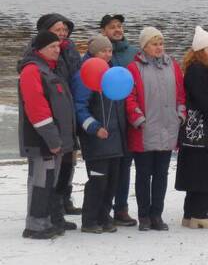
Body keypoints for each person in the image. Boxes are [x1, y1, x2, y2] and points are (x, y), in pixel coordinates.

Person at [125, 27, 186, 231]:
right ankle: (143, 216)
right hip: (145, 130)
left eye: (161, 43)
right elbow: (129, 97)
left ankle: (156, 215)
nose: (159, 47)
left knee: (161, 174)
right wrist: (139, 119)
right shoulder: (134, 68)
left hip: (168, 127)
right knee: (143, 174)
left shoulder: (173, 66)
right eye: (154, 43)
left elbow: (180, 93)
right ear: (144, 46)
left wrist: (180, 113)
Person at [18, 30, 77, 239]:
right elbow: (37, 108)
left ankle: (47, 220)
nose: (57, 49)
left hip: (55, 140)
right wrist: (52, 138)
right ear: (40, 49)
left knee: (50, 181)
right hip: (41, 140)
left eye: (58, 46)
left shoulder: (50, 70)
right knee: (41, 181)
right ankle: (35, 225)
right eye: (52, 46)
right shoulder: (32, 70)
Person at [71, 35, 127, 234]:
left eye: (110, 51)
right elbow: (80, 108)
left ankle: (104, 216)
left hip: (115, 138)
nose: (108, 54)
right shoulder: (85, 74)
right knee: (98, 180)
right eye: (104, 51)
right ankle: (89, 219)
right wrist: (94, 128)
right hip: (96, 139)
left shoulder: (111, 73)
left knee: (112, 181)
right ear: (94, 52)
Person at [175, 27, 208, 229]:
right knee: (206, 171)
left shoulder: (199, 68)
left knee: (196, 171)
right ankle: (200, 213)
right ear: (200, 50)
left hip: (196, 129)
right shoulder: (199, 70)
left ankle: (190, 214)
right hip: (203, 129)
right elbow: (206, 103)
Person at [35, 14, 82, 218]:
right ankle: (52, 208)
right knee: (55, 163)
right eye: (58, 30)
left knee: (70, 160)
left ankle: (64, 199)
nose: (63, 33)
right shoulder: (37, 55)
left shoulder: (68, 50)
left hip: (70, 111)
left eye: (65, 30)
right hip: (53, 116)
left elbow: (77, 75)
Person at [99, 13, 139, 227]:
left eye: (120, 26)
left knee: (125, 164)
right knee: (106, 166)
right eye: (112, 26)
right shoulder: (97, 54)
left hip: (128, 117)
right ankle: (101, 207)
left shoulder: (133, 52)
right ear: (103, 31)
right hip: (106, 118)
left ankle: (121, 208)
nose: (117, 29)